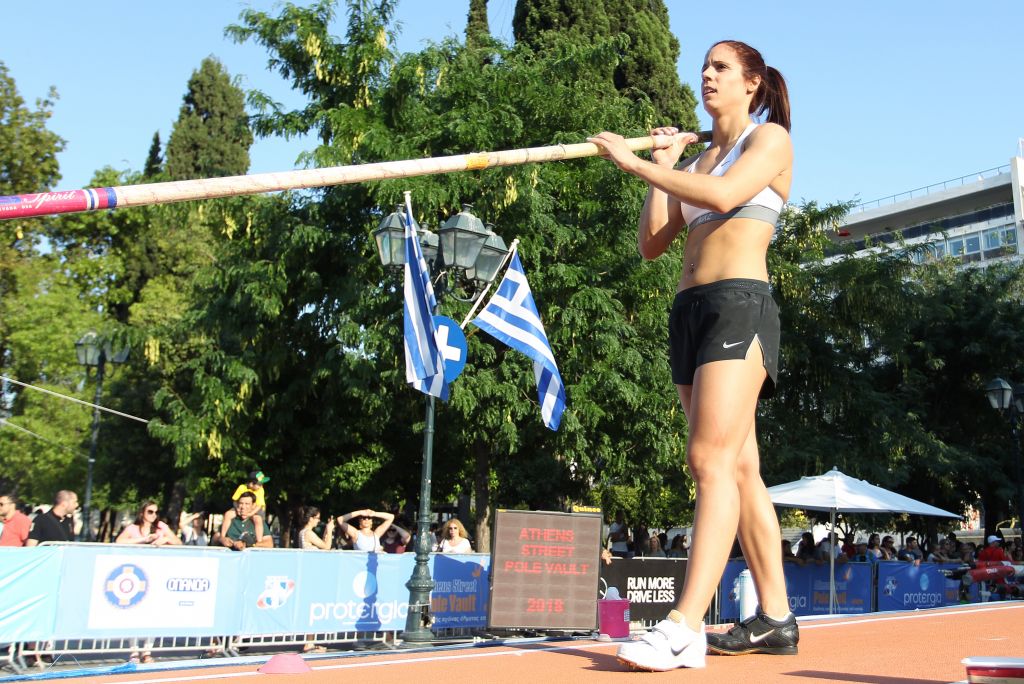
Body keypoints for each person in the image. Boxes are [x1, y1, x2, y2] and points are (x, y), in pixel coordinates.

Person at [589, 38, 795, 671]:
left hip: (740, 305)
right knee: (738, 469)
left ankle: (684, 625)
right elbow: (653, 244)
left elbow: (725, 198)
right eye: (704, 68)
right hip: (690, 313)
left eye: (720, 68)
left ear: (751, 82)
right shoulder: (698, 160)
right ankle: (778, 617)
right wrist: (661, 161)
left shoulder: (770, 141)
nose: (706, 77)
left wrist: (633, 164)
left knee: (707, 459)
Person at [115, 501, 182, 546]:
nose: (154, 514)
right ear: (142, 513)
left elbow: (179, 543)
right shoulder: (133, 528)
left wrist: (167, 539)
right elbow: (119, 541)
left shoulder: (161, 526)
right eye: (150, 512)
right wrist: (144, 539)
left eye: (156, 512)